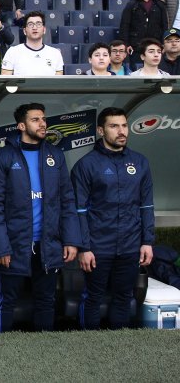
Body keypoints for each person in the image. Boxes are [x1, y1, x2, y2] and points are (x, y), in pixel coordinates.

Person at [0, 103, 82, 333]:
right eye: (35, 120)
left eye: (43, 119)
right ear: (21, 126)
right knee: (6, 301)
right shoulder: (2, 158)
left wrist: (70, 240)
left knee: (46, 300)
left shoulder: (55, 156)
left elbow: (67, 201)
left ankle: (43, 349)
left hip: (48, 244)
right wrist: (1, 247)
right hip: (14, 245)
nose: (42, 124)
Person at [71, 107, 154, 330]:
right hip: (98, 246)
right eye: (114, 126)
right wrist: (84, 247)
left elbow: (146, 205)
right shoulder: (86, 165)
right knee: (93, 296)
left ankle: (118, 343)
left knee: (124, 296)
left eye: (124, 126)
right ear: (101, 130)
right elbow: (78, 211)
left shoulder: (140, 162)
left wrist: (147, 241)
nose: (121, 131)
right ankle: (86, 343)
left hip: (130, 244)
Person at [119, 0, 167, 66]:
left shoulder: (160, 5)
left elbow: (164, 25)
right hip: (136, 46)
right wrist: (126, 43)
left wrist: (164, 43)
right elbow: (125, 25)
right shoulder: (131, 5)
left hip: (155, 44)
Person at [1, 11, 64, 75]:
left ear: (44, 30)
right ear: (24, 31)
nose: (34, 28)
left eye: (38, 24)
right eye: (30, 24)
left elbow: (59, 80)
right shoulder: (12, 52)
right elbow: (5, 79)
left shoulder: (55, 53)